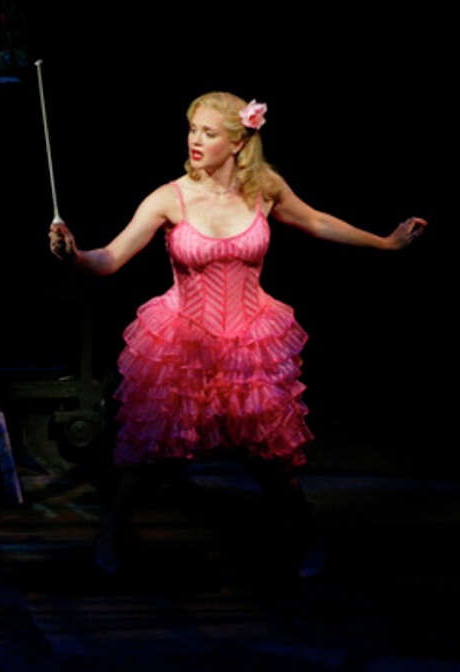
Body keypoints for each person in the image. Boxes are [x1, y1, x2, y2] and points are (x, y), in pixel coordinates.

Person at [48, 91, 427, 577]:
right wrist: (75, 256)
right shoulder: (170, 197)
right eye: (192, 130)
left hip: (250, 342)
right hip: (183, 341)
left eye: (209, 133)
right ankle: (110, 538)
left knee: (271, 459)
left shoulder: (264, 188)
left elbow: (315, 220)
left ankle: (308, 541)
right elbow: (110, 259)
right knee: (149, 457)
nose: (195, 140)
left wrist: (385, 243)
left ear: (238, 142)